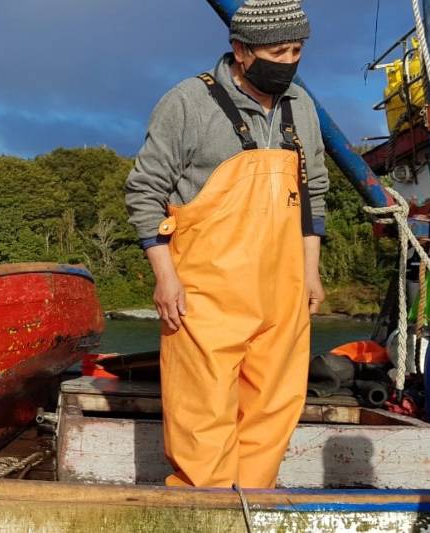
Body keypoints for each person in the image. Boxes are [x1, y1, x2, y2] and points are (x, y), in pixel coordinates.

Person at [124, 0, 328, 489]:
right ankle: (204, 511)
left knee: (274, 407)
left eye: (297, 49)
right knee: (202, 413)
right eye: (278, 50)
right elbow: (144, 190)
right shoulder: (186, 103)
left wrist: (311, 270)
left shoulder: (302, 106)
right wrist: (165, 278)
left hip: (283, 290)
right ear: (240, 50)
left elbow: (313, 191)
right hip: (204, 294)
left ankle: (253, 504)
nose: (289, 60)